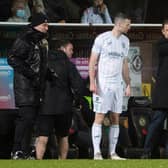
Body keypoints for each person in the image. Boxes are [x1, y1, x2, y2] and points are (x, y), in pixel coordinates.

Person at [7, 12, 53, 159]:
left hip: (37, 87)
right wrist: (31, 74)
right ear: (36, 25)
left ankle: (25, 152)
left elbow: (41, 64)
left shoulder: (41, 42)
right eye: (44, 24)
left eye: (47, 24)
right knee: (26, 118)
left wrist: (48, 74)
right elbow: (12, 59)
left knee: (31, 120)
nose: (47, 27)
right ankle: (16, 150)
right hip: (25, 87)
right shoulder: (25, 39)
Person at [89, 12, 131, 160]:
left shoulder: (126, 41)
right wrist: (92, 82)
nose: (129, 27)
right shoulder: (102, 38)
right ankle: (97, 153)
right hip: (103, 85)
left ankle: (112, 153)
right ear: (119, 24)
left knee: (115, 117)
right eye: (128, 24)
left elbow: (125, 64)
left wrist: (128, 84)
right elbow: (92, 62)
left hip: (118, 86)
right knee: (99, 117)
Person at [35, 43, 84, 159]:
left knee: (42, 137)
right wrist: (77, 101)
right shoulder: (69, 65)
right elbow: (78, 86)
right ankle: (61, 162)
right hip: (64, 106)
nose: (72, 52)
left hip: (45, 106)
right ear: (62, 49)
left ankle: (37, 162)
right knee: (63, 136)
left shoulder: (43, 64)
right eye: (70, 49)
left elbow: (36, 83)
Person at [141, 19, 168, 159]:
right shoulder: (161, 44)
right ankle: (146, 151)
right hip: (163, 92)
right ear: (163, 31)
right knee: (156, 123)